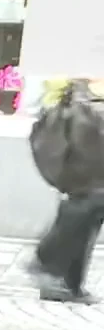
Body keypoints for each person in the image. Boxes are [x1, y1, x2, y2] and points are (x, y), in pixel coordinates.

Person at [26, 77, 104, 305]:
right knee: (91, 197)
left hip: (88, 120)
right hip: (85, 121)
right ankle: (49, 264)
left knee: (92, 202)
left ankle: (67, 280)